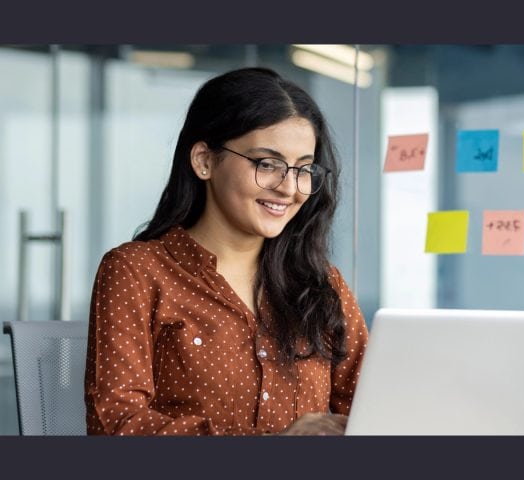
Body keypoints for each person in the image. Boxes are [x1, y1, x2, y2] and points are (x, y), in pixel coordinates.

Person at [84, 67, 369, 435]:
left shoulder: (321, 283)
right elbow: (116, 425)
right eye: (267, 164)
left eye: (303, 169)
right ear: (204, 161)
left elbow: (371, 407)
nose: (288, 188)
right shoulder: (136, 271)